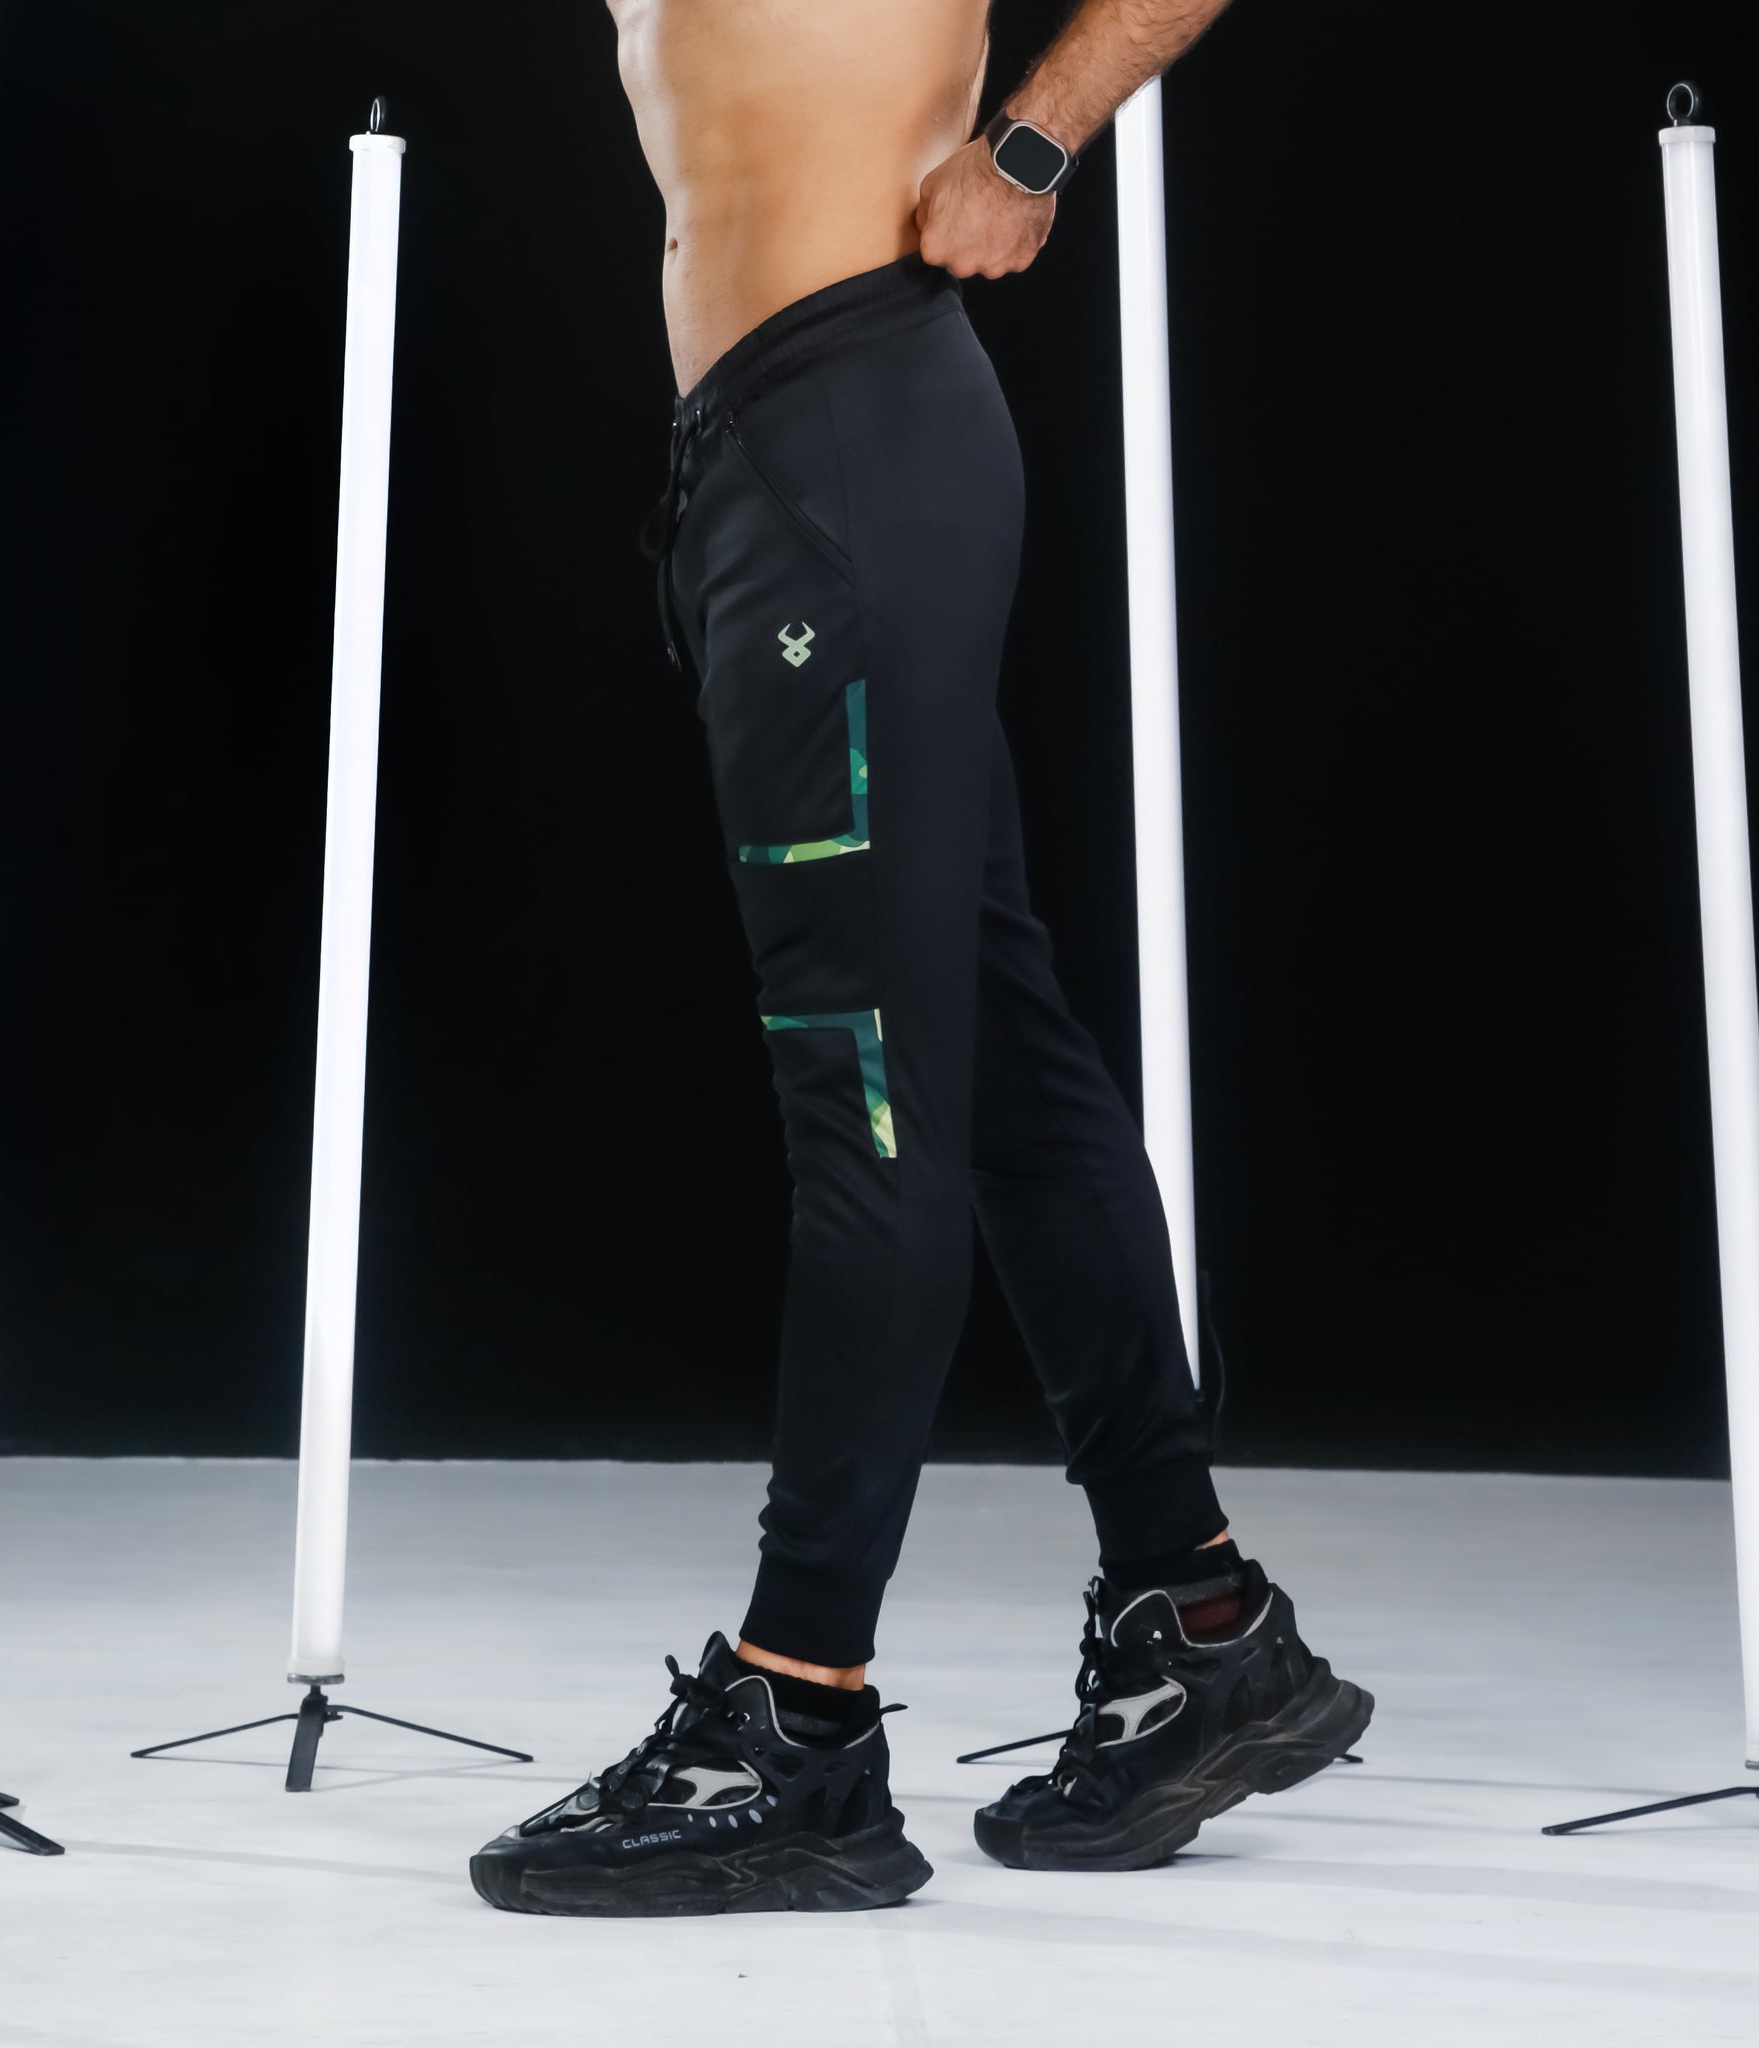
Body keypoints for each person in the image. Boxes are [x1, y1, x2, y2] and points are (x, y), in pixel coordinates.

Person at [471, 0, 1371, 1916]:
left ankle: (798, 1721)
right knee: (1009, 1068)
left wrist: (1031, 144)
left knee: (865, 1097)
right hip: (780, 459)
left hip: (847, 433)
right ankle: (1201, 1624)